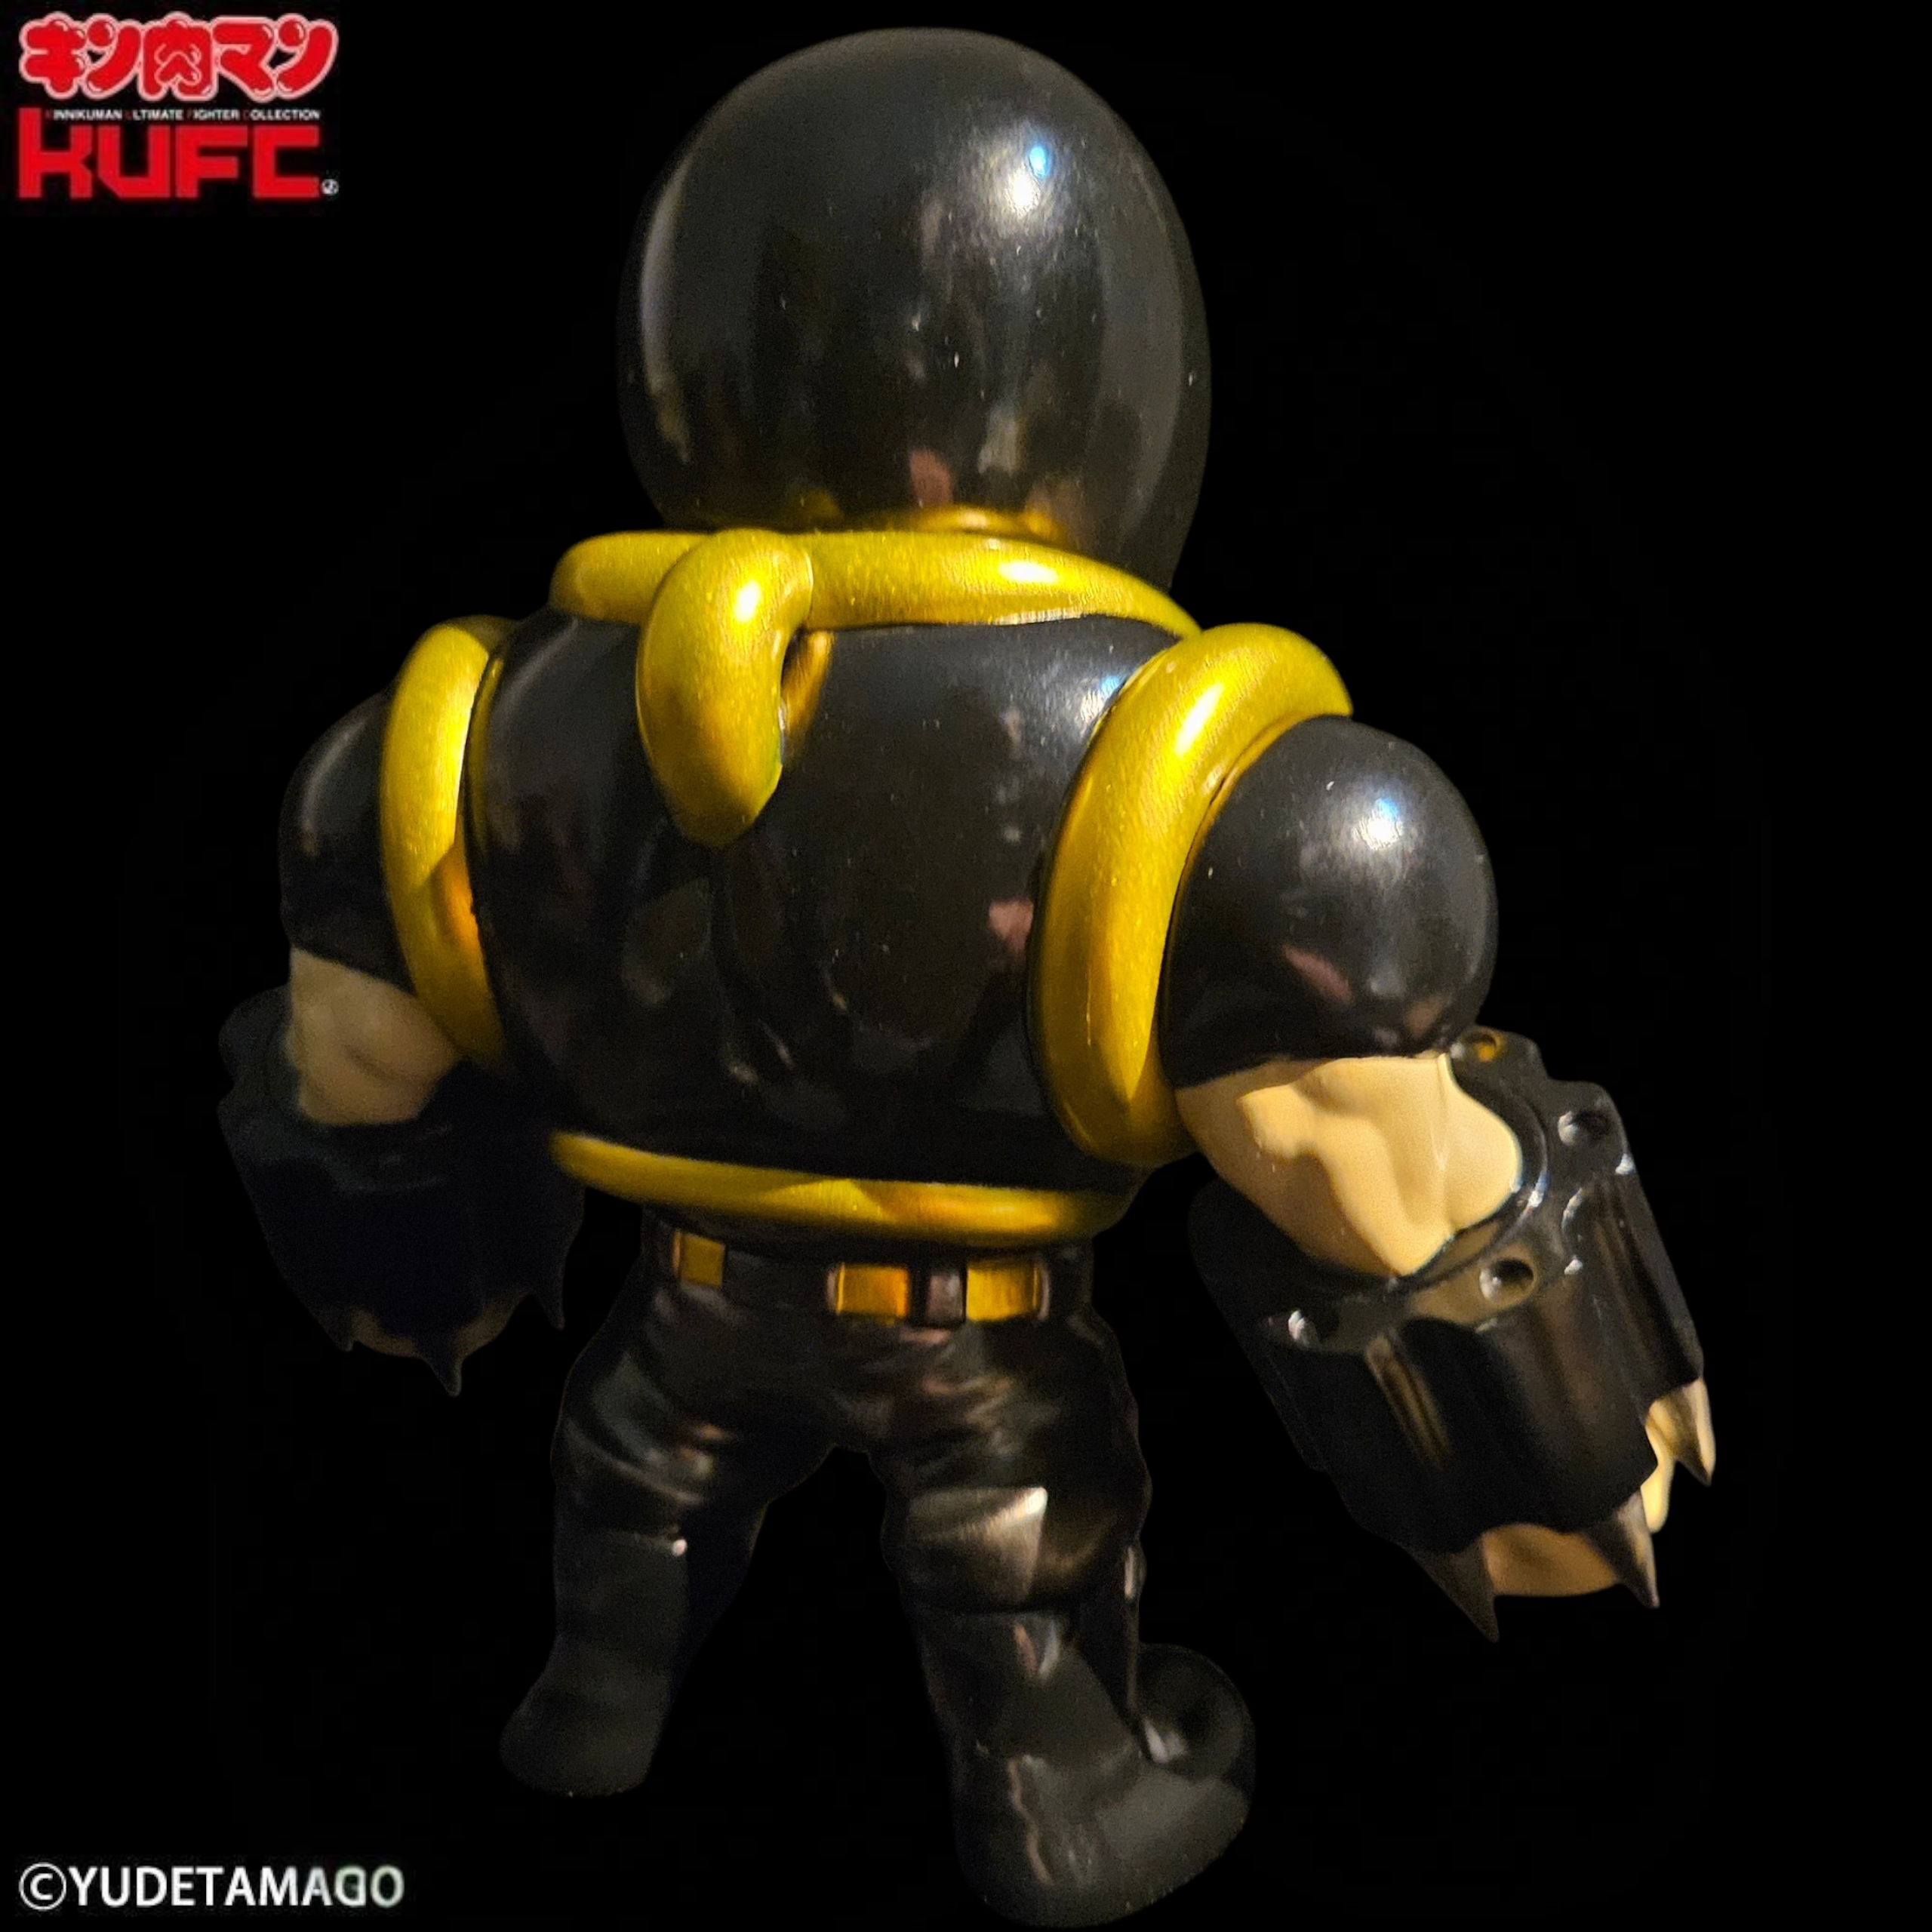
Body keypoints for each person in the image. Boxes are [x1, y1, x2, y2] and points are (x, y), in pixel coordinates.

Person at [220, 31, 1711, 1927]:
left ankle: (594, 1700)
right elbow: (1344, 1151)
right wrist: (1549, 1440)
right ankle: (1059, 1797)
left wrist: (400, 1271)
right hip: (968, 1322)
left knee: (635, 1469)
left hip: (684, 1295)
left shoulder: (454, 738)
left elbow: (355, 1060)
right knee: (1014, 1529)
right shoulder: (1194, 777)